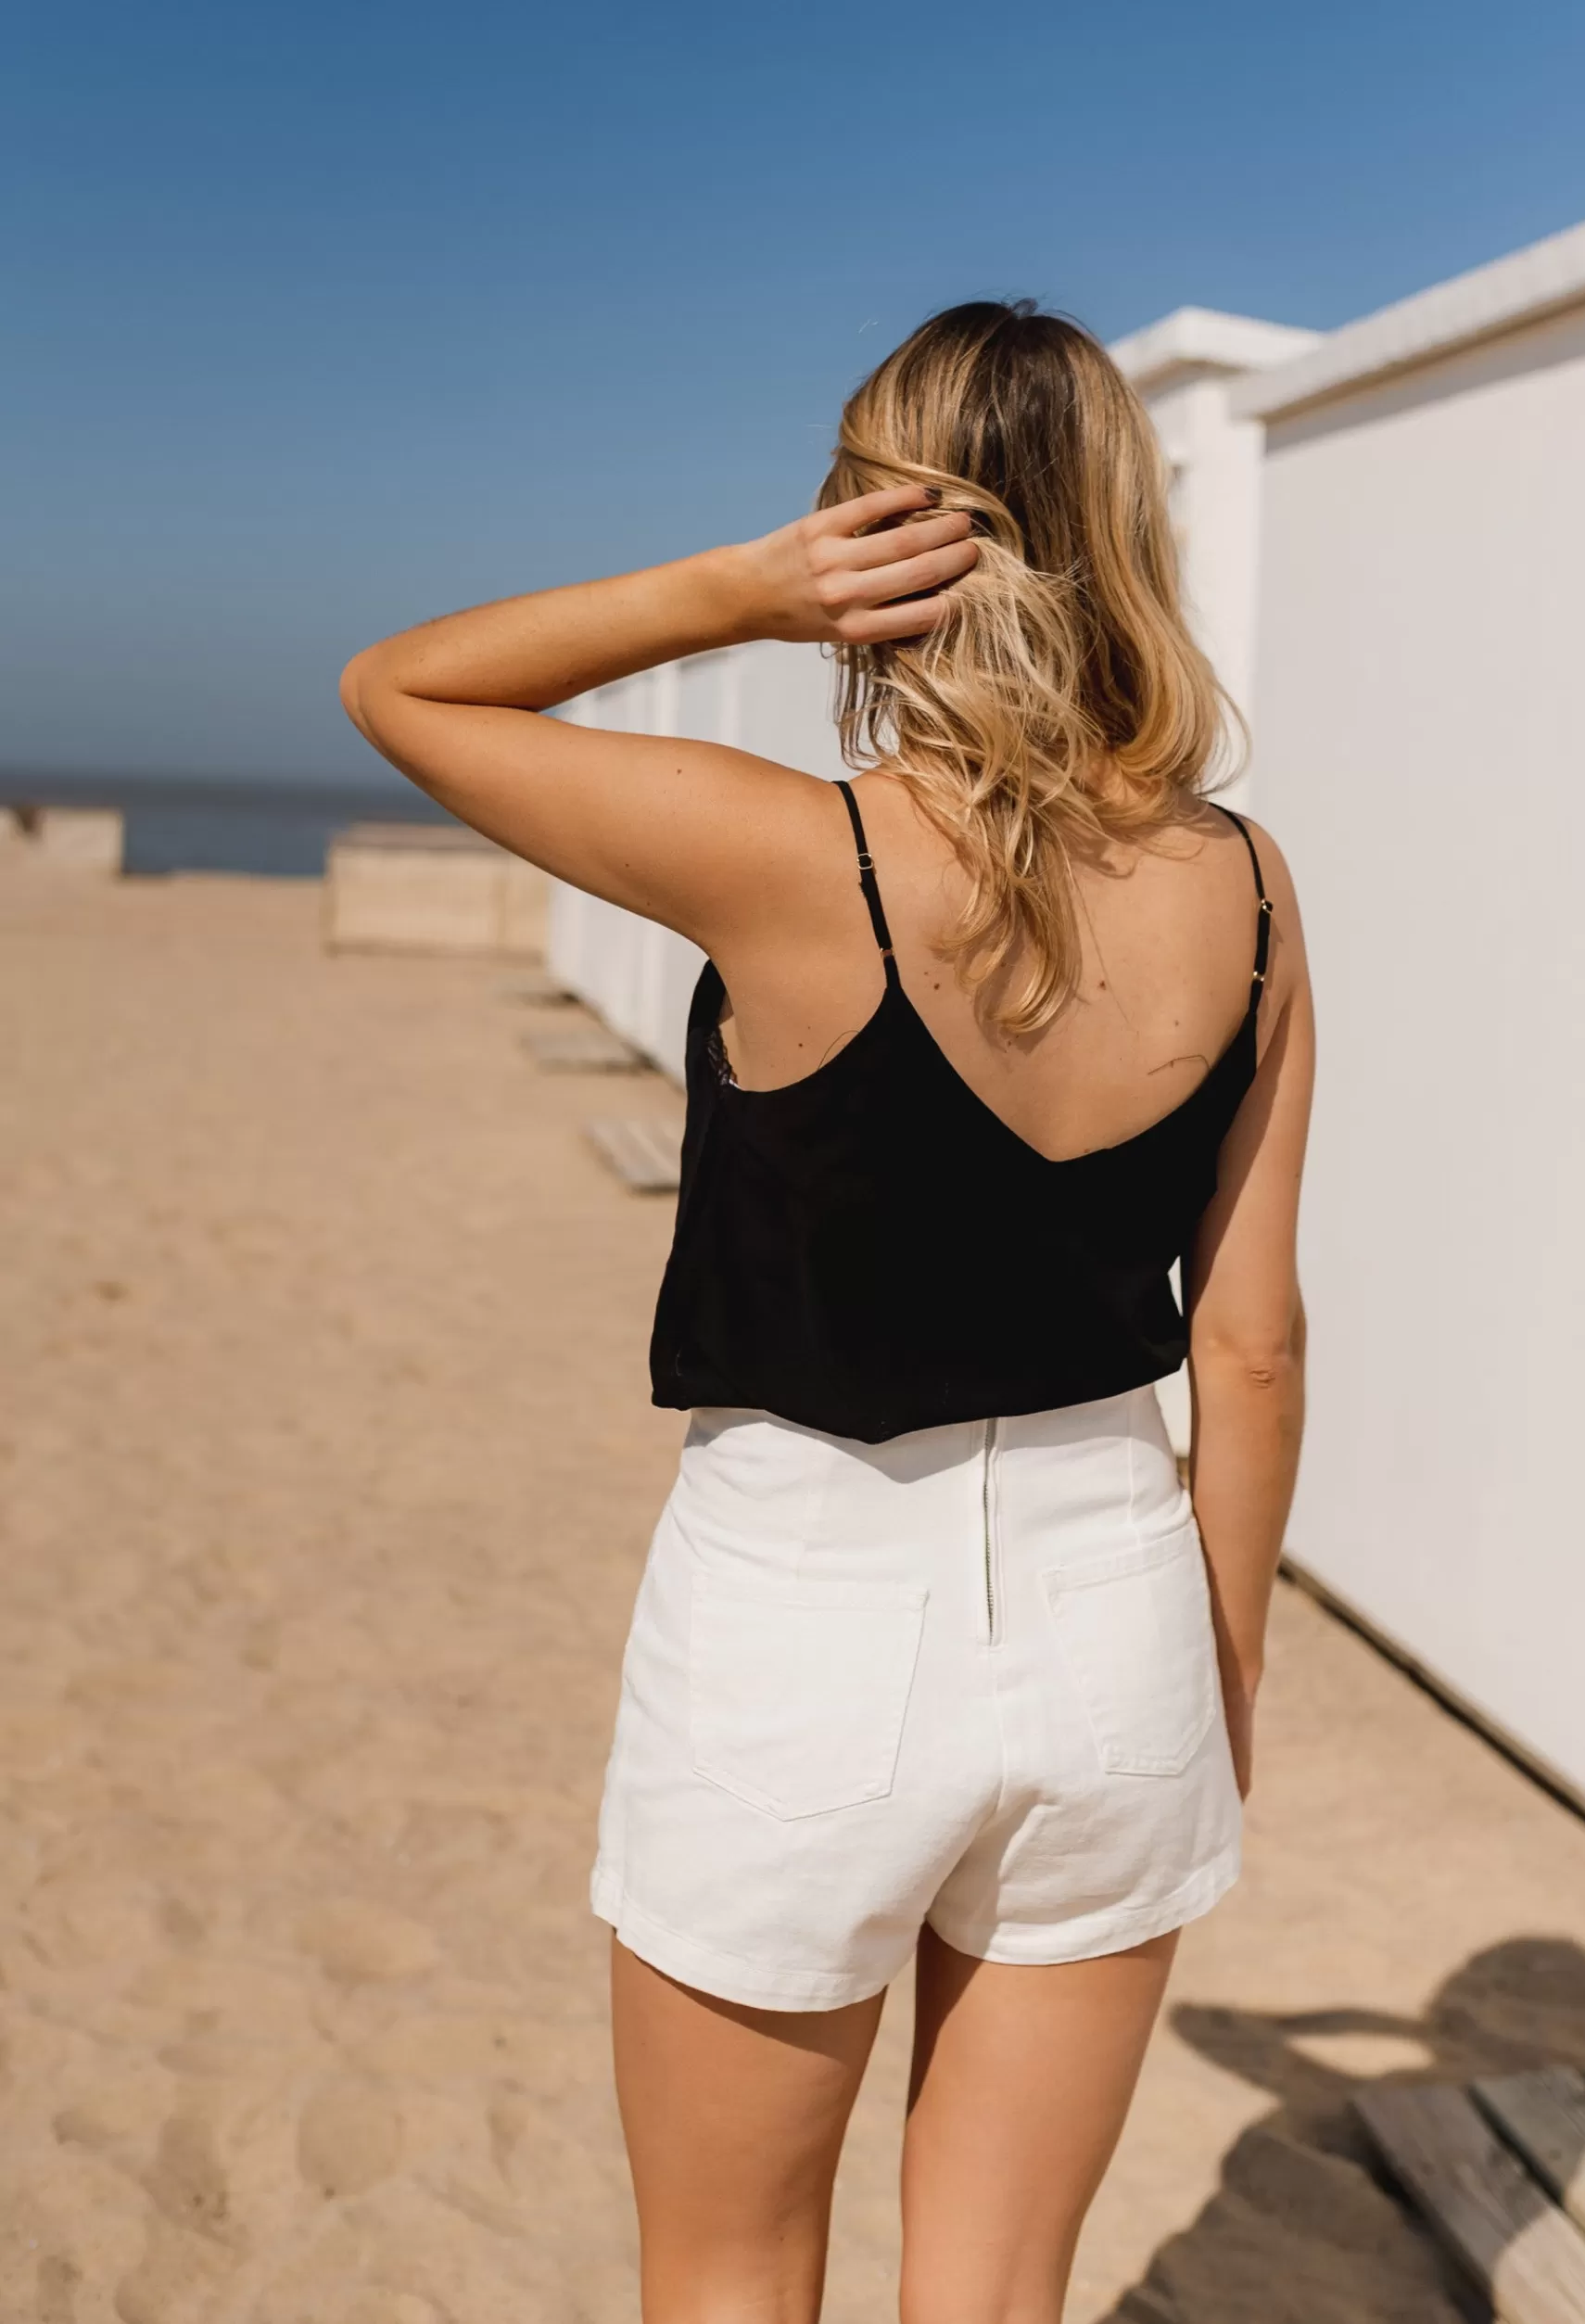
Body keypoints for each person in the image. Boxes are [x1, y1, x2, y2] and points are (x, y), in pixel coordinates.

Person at [341, 299, 1313, 2324]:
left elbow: (401, 686)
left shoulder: (789, 853)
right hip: (1123, 1607)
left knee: (726, 2272)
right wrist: (1215, 1673)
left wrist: (738, 590)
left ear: (875, 533)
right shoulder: (1247, 886)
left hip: (805, 1619)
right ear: (1125, 531)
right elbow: (1251, 1346)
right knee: (997, 2288)